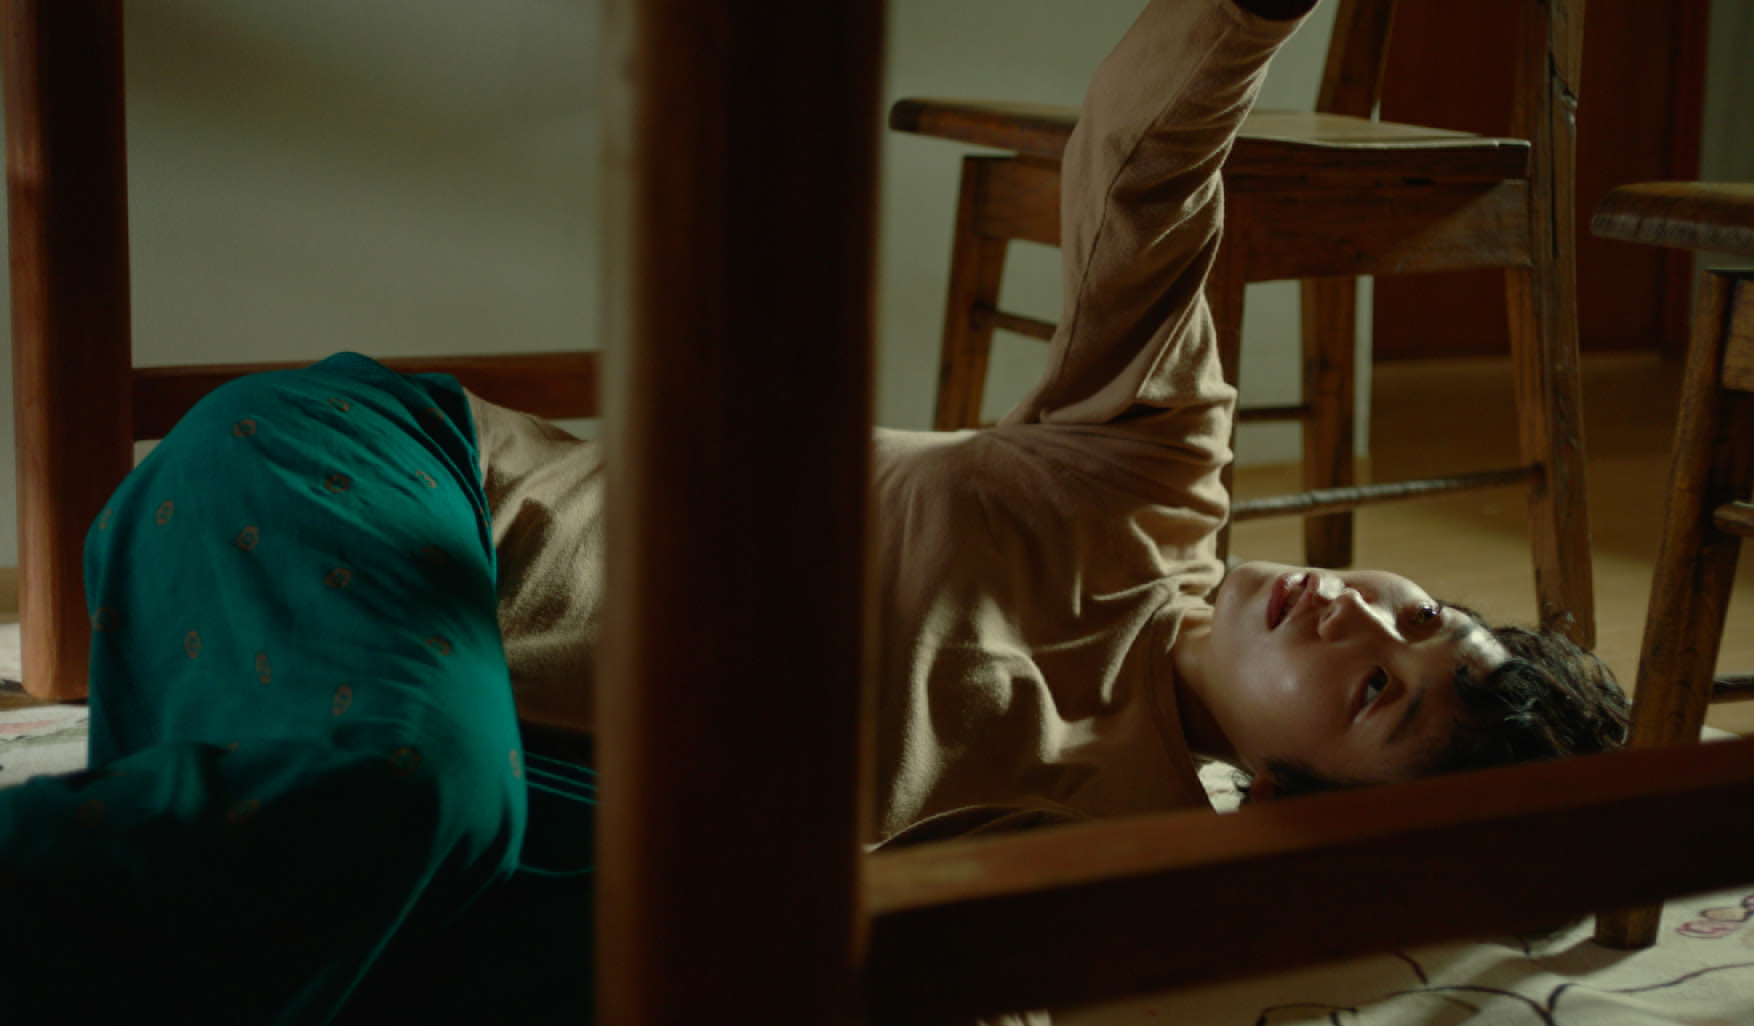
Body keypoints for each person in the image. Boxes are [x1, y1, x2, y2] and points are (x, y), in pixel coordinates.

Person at [0, 0, 1624, 1021]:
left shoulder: (1112, 846)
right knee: (420, 793)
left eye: (1374, 689)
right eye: (1420, 613)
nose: (1359, 612)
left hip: (418, 748)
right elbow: (1139, 169)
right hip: (368, 498)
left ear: (1286, 797)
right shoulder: (1151, 475)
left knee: (651, 956)